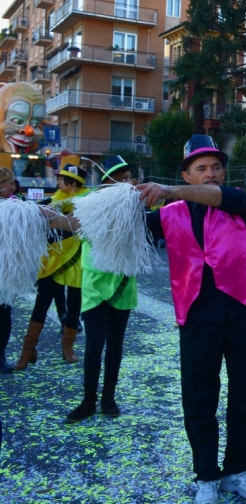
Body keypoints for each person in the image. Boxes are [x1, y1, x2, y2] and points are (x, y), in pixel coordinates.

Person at [138, 135, 246, 503]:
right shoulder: (169, 215)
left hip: (242, 309)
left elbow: (219, 197)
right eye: (202, 168)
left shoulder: (237, 201)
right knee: (199, 398)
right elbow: (120, 226)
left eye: (216, 167)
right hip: (197, 314)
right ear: (187, 174)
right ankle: (207, 477)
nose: (211, 173)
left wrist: (166, 189)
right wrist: (51, 218)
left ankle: (237, 471)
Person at [65, 155, 138, 423]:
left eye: (129, 176)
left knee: (115, 345)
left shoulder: (135, 206)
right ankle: (88, 401)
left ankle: (109, 398)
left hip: (122, 286)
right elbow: (71, 224)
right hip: (95, 288)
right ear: (107, 181)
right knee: (94, 345)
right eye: (122, 176)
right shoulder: (89, 206)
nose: (128, 181)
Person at [15, 159, 89, 371]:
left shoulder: (86, 202)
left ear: (73, 183)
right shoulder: (51, 202)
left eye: (62, 179)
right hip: (52, 259)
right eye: (57, 178)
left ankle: (68, 347)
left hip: (76, 258)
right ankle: (27, 350)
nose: (58, 182)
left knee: (74, 305)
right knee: (42, 303)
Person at [0, 167, 17, 373]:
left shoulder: (15, 206)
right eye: (10, 183)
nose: (13, 187)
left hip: (5, 271)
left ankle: (1, 355)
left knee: (4, 315)